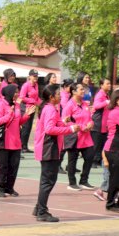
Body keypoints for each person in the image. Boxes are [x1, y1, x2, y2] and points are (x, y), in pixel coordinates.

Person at [34, 84, 80, 222]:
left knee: (46, 180)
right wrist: (70, 130)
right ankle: (42, 211)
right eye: (58, 94)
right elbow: (49, 129)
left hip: (50, 148)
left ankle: (39, 208)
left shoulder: (50, 108)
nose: (60, 95)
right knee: (48, 181)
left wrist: (68, 125)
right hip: (49, 148)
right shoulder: (50, 110)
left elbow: (57, 124)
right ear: (51, 97)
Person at [0, 84, 35, 197]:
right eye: (15, 92)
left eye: (18, 92)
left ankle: (10, 188)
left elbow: (18, 122)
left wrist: (26, 115)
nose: (17, 94)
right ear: (9, 93)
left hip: (16, 141)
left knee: (14, 166)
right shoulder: (1, 105)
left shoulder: (17, 105)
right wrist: (9, 114)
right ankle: (1, 189)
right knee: (3, 167)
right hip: (4, 141)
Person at [62, 82, 96, 191]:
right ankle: (72, 183)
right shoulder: (69, 105)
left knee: (90, 157)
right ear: (73, 91)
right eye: (81, 89)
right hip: (74, 136)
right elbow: (65, 122)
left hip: (86, 137)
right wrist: (81, 127)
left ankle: (84, 181)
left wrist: (91, 123)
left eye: (83, 89)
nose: (83, 91)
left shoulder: (85, 104)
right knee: (73, 160)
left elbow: (89, 117)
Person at [103, 89, 119, 211]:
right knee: (116, 178)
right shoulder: (117, 113)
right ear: (117, 100)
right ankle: (111, 203)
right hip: (115, 150)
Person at [91, 78, 111, 168]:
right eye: (107, 84)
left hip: (104, 123)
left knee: (102, 142)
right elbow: (96, 105)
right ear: (101, 85)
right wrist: (106, 102)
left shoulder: (106, 95)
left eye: (109, 83)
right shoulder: (100, 94)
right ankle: (93, 161)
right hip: (98, 122)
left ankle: (98, 159)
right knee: (96, 142)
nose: (109, 85)